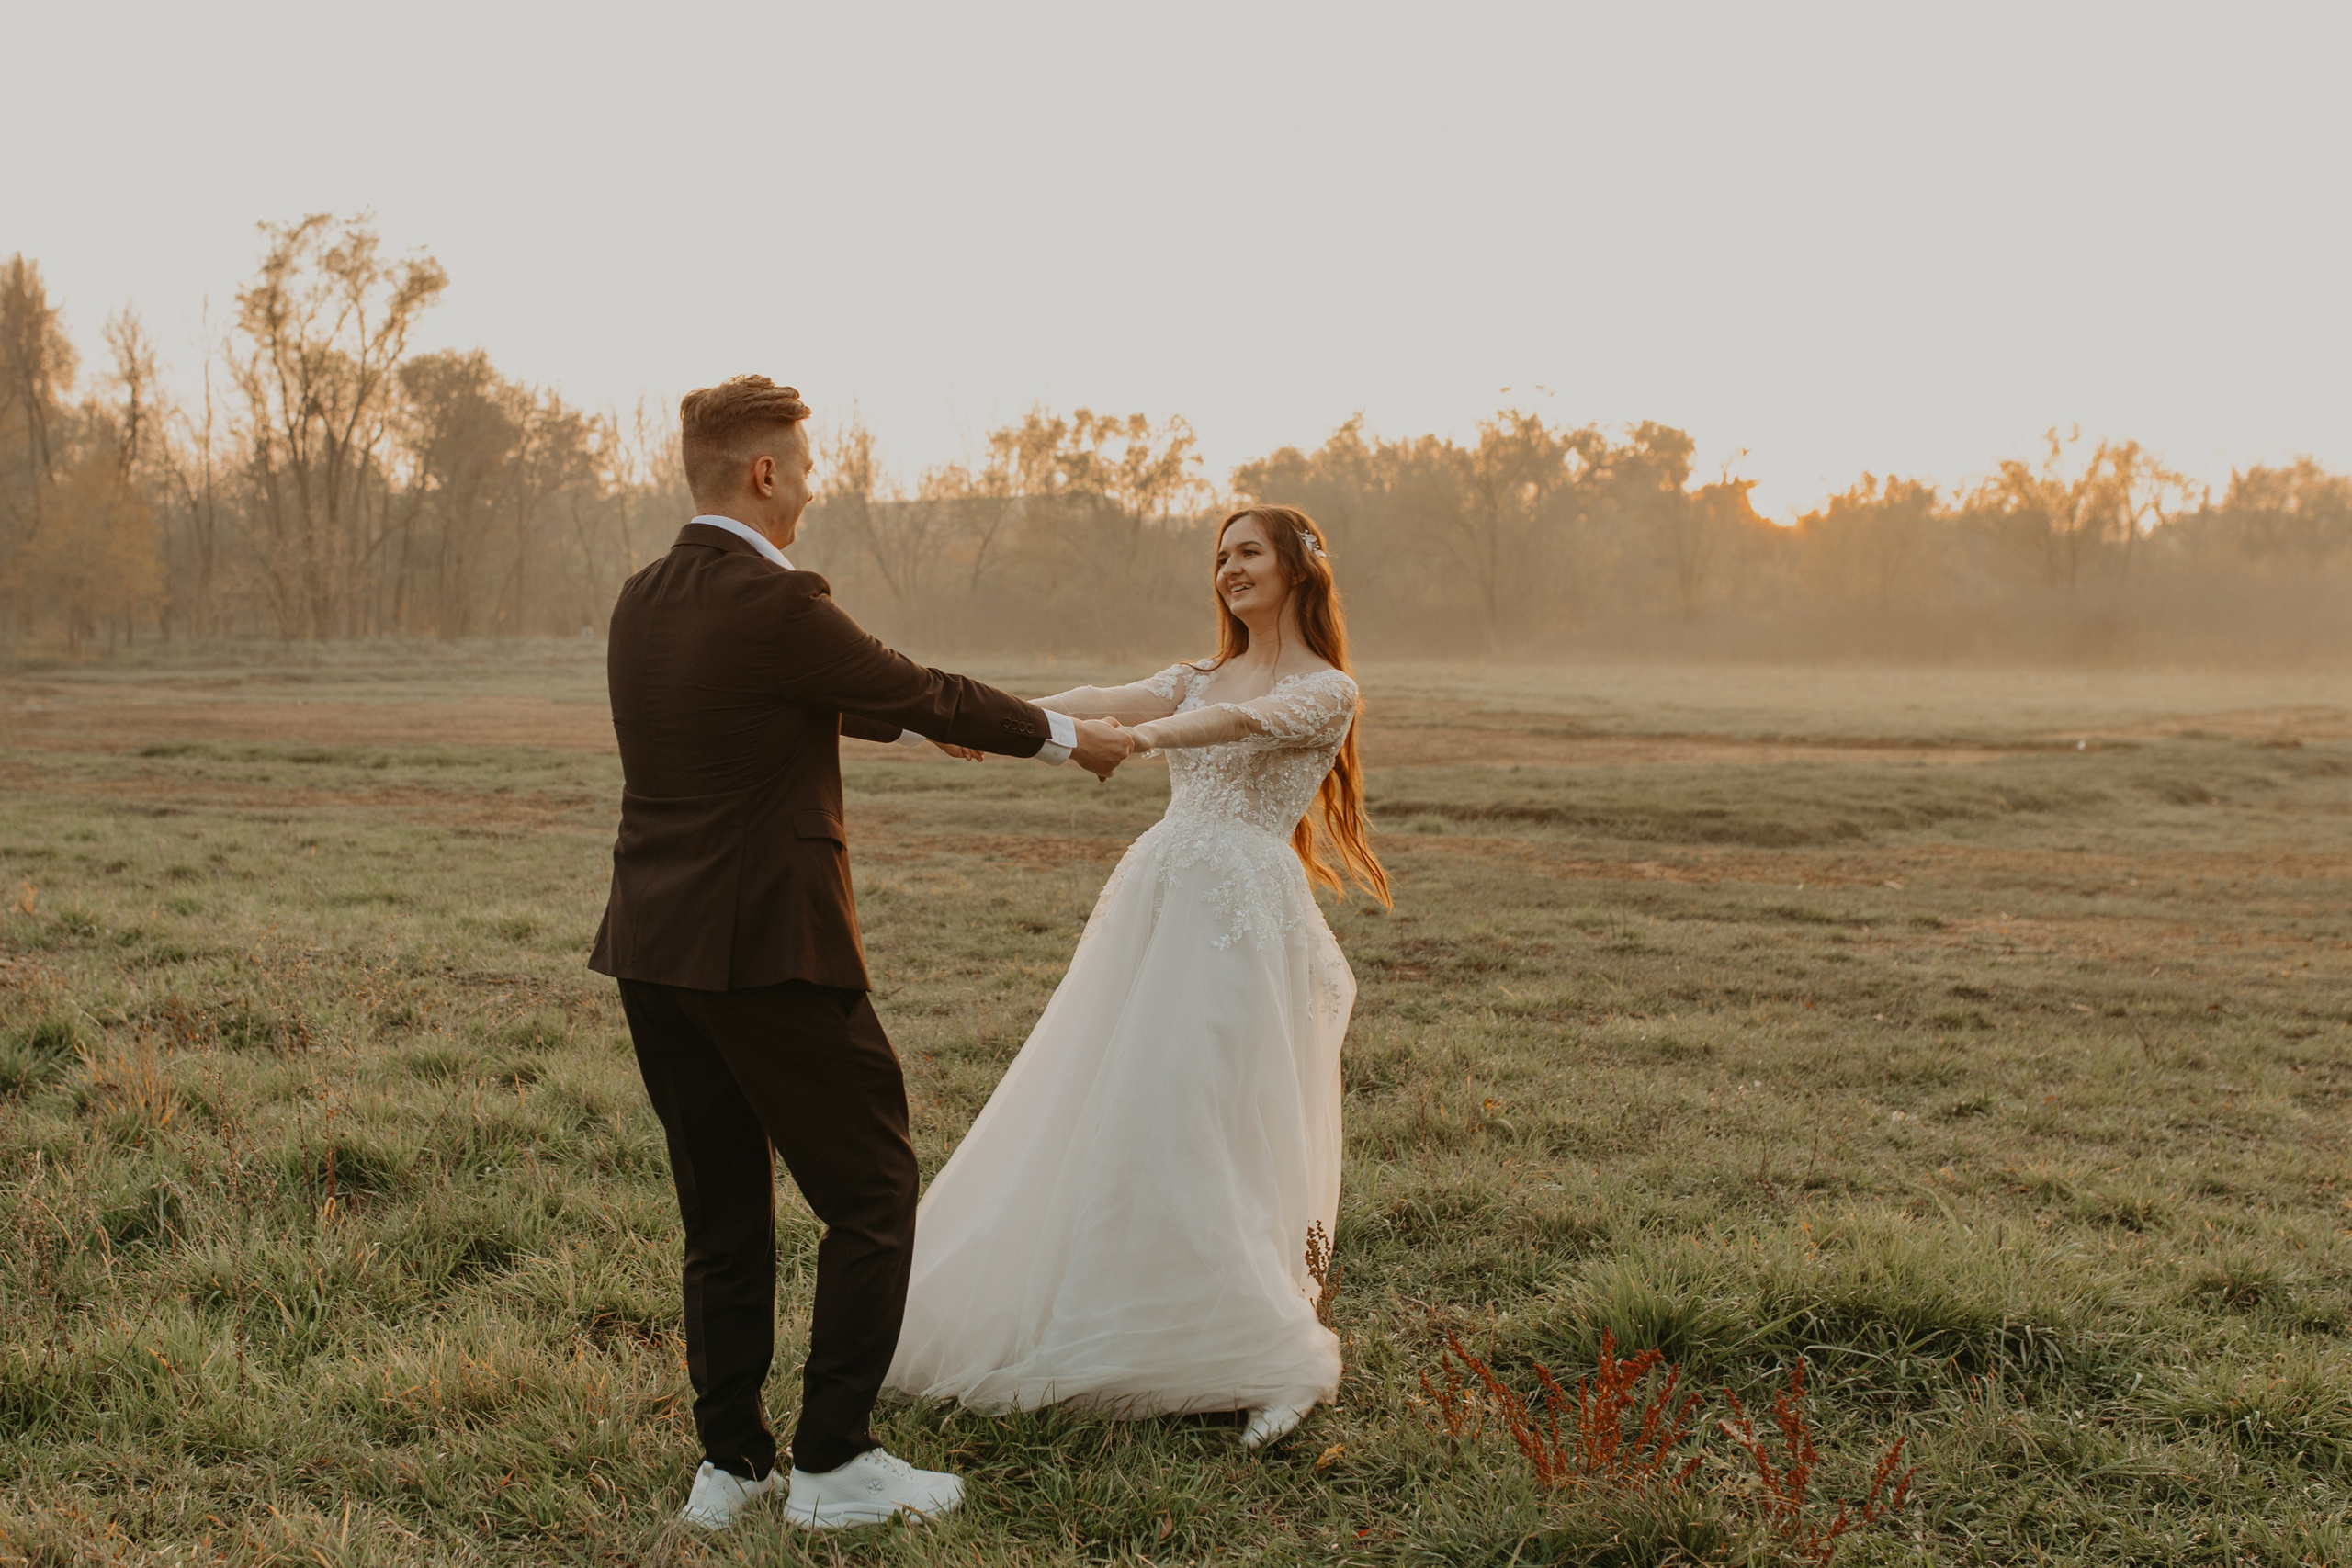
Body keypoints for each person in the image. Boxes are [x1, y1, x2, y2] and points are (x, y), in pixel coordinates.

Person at [589, 377, 1135, 1531]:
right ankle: (835, 1463)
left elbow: (789, 695)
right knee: (874, 1190)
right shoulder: (779, 598)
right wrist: (1066, 738)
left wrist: (917, 723)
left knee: (721, 1213)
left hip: (652, 948)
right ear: (764, 473)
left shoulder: (644, 597)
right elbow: (912, 683)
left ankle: (732, 1467)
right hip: (767, 948)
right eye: (804, 467)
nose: (813, 489)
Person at [885, 503, 1388, 1450]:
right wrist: (988, 722)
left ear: (1298, 567)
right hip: (1161, 897)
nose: (1230, 568)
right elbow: (1102, 692)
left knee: (1214, 1107)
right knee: (1123, 1098)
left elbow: (1242, 721)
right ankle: (1123, 1310)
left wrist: (1140, 740)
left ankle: (1262, 1349)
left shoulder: (1328, 689)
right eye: (1222, 555)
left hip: (1240, 913)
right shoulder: (1195, 672)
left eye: (1249, 552)